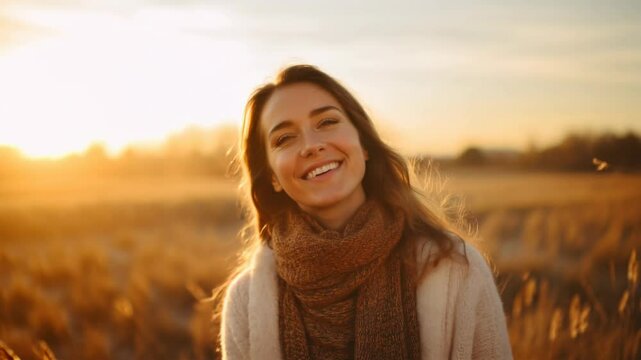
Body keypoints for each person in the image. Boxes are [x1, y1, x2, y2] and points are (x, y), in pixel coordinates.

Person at [219, 64, 512, 359]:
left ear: (364, 144)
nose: (312, 145)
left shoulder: (454, 269)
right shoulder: (246, 300)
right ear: (272, 177)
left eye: (327, 122)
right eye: (284, 138)